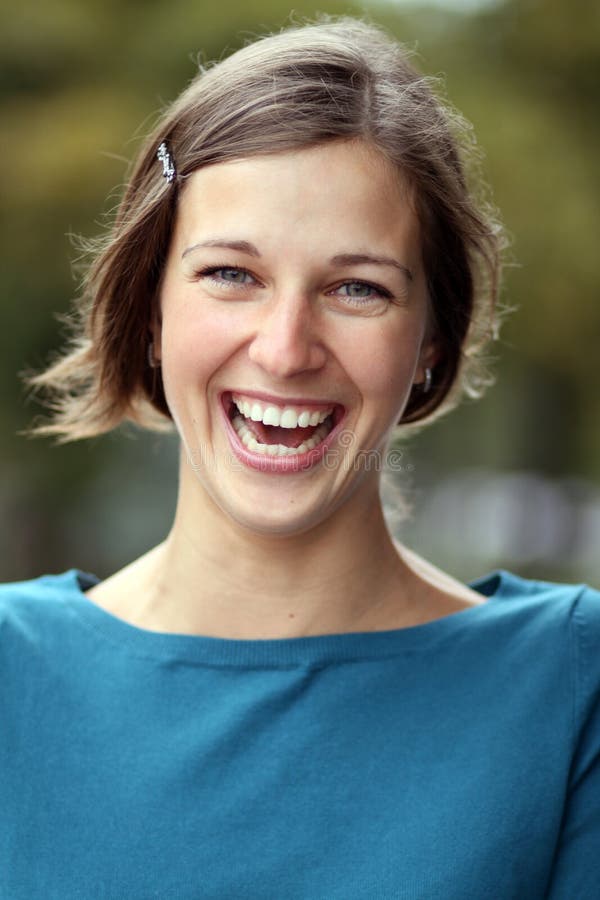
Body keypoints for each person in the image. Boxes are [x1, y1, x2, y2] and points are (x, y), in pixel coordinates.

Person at [1, 16, 598, 899]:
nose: (285, 349)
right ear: (153, 313)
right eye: (230, 275)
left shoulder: (569, 689)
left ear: (433, 337)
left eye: (357, 288)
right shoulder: (14, 674)